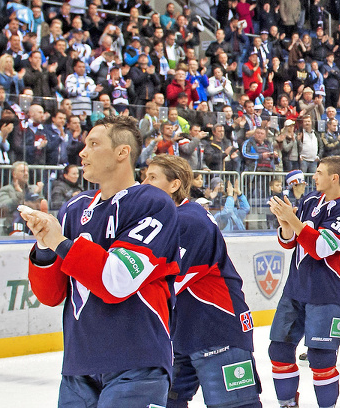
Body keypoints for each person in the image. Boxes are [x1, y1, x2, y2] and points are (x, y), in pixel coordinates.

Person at [21, 116, 181, 407]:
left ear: (122, 153)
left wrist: (59, 241)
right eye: (84, 145)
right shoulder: (73, 208)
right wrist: (44, 246)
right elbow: (51, 295)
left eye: (94, 144)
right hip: (78, 367)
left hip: (137, 363)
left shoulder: (153, 203)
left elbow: (116, 282)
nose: (83, 153)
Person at [142, 155, 262, 408]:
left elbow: (168, 282)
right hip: (183, 333)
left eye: (152, 177)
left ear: (174, 185)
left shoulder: (189, 221)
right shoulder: (171, 219)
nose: (144, 183)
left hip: (218, 331)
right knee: (166, 402)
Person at [267, 156, 340, 408]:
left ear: (334, 178)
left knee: (321, 358)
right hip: (295, 290)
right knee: (279, 350)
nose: (314, 176)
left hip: (326, 294)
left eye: (319, 172)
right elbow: (289, 242)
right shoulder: (309, 200)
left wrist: (294, 221)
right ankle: (287, 404)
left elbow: (320, 247)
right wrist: (285, 222)